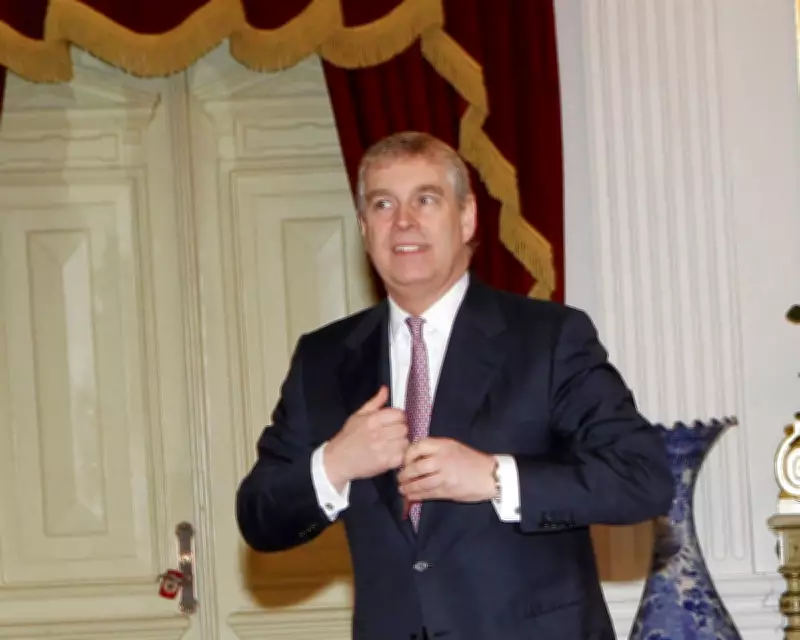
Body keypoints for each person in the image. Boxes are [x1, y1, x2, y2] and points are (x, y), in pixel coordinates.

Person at [236, 131, 673, 640]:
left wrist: (494, 477)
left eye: (425, 199)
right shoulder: (324, 358)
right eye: (383, 204)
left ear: (466, 219)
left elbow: (643, 479)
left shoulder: (548, 338)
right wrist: (335, 463)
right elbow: (261, 518)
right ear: (364, 228)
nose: (403, 221)